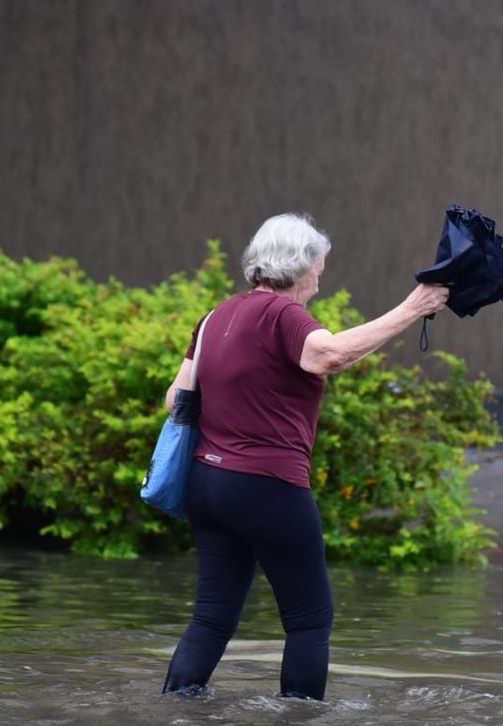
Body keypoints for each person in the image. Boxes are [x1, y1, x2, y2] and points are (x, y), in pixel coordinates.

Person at [161, 212, 449, 700]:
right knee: (309, 620)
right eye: (319, 264)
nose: (320, 275)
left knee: (211, 619)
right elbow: (328, 355)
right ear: (299, 265)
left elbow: (175, 400)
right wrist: (413, 308)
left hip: (207, 486)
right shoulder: (284, 315)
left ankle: (177, 715)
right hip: (268, 485)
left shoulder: (214, 317)